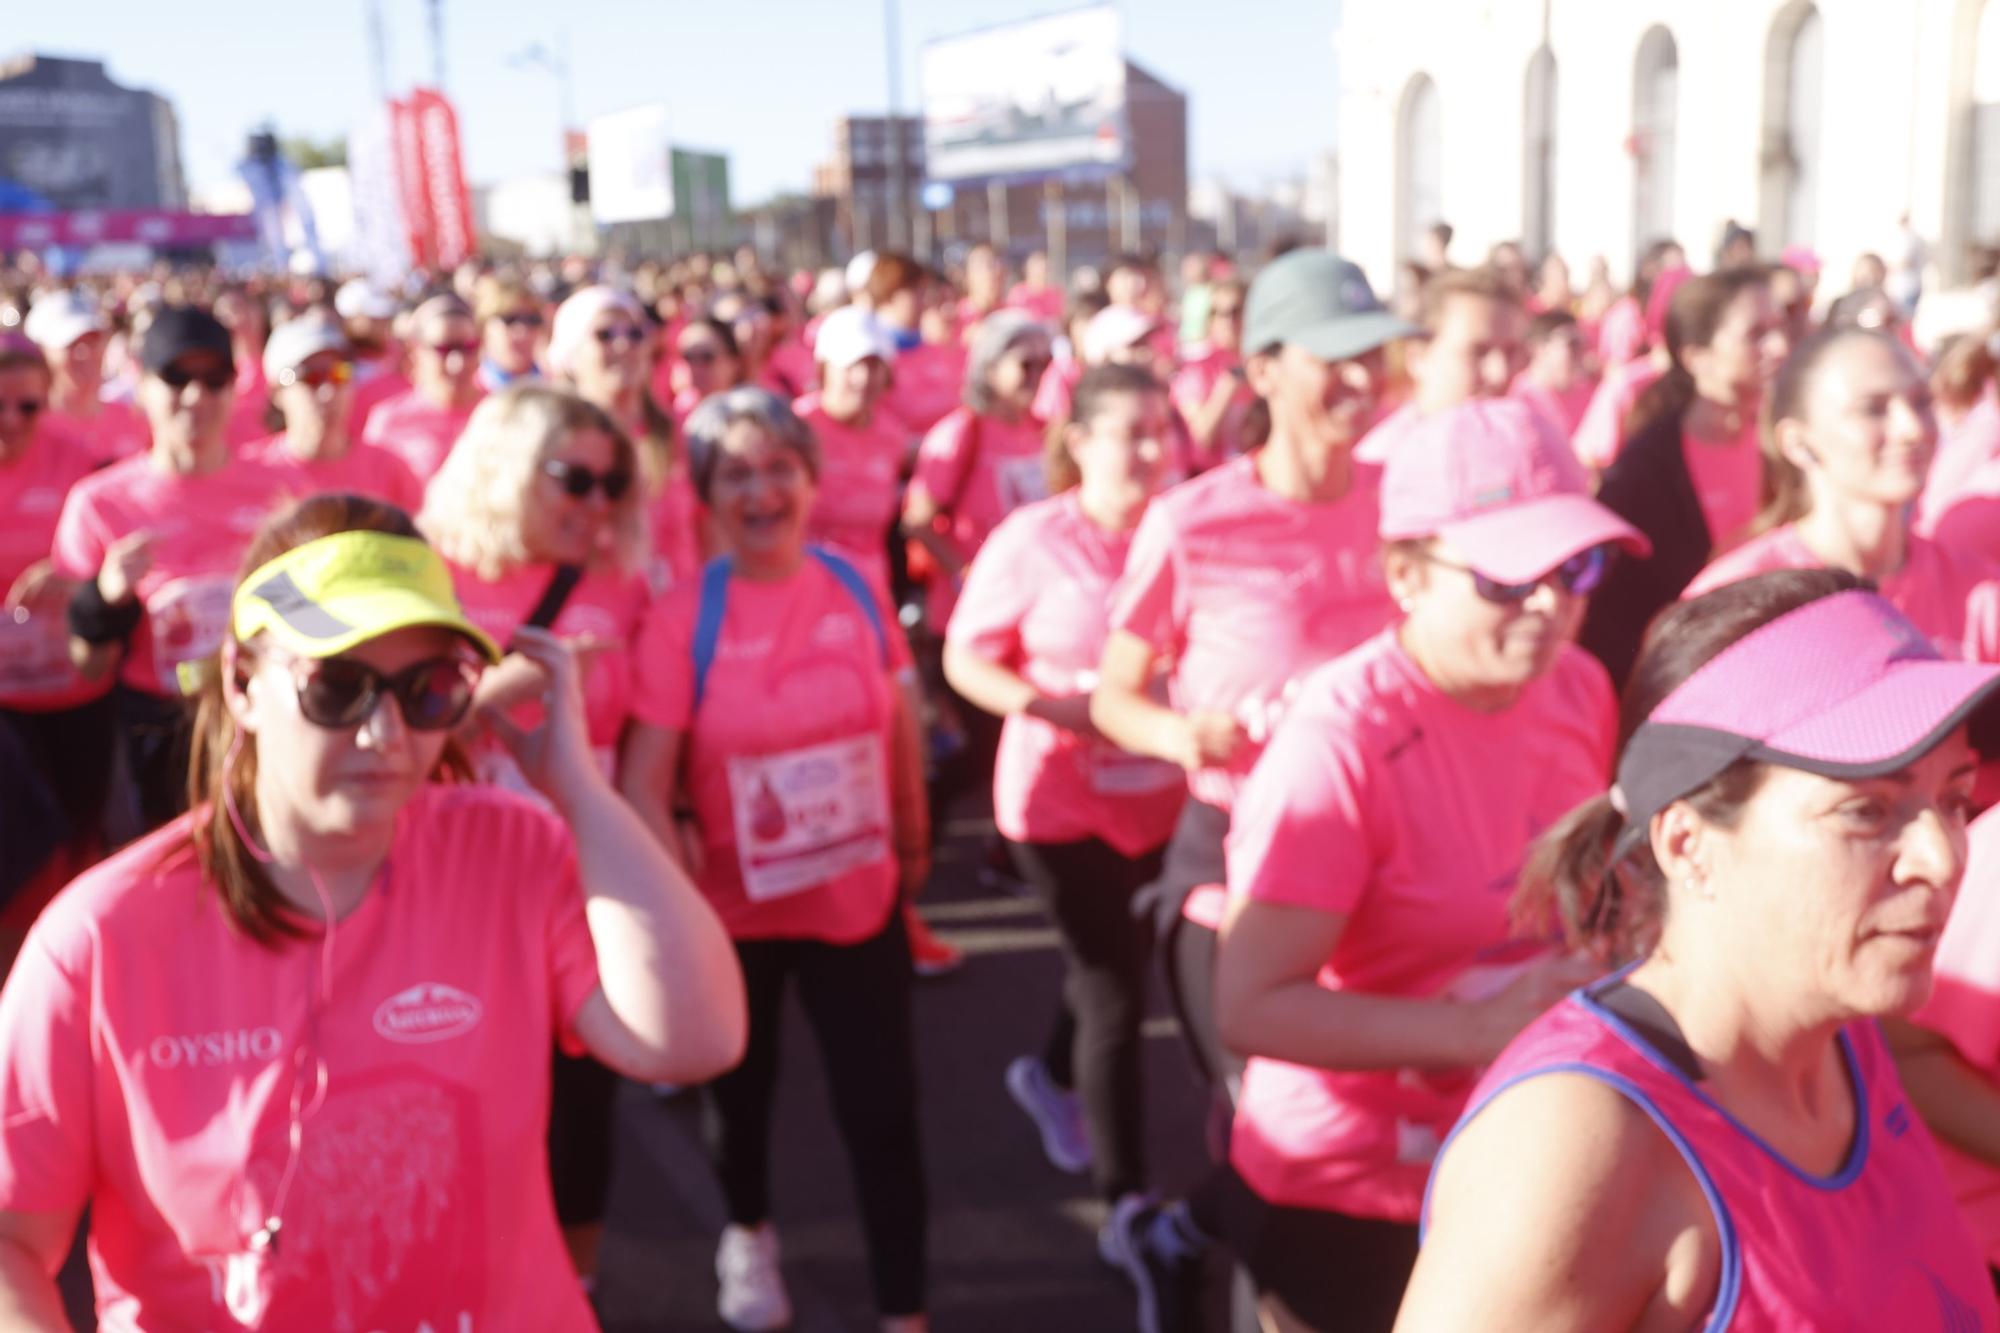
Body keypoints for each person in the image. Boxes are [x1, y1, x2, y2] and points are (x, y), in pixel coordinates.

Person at [0, 491, 746, 1331]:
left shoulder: (509, 848)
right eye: (339, 687)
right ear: (243, 683)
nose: (384, 732)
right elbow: (12, 1242)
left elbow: (696, 1037)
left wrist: (577, 789)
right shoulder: (101, 936)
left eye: (429, 690)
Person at [1401, 570, 2000, 1330]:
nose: (1942, 859)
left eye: (1954, 799)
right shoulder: (1576, 1143)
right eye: (1864, 809)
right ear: (1688, 842)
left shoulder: (1850, 1036)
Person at [1200, 397, 1637, 1333]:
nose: (1551, 603)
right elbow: (1249, 1004)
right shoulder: (1339, 743)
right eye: (1505, 577)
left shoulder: (1577, 685)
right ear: (1403, 573)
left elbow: (1569, 891)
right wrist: (1474, 1034)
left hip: (1517, 1151)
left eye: (1575, 566)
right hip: (1349, 1191)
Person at [1090, 256, 1411, 1312]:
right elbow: (1112, 697)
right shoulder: (1192, 520)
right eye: (1334, 359)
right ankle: (1216, 1269)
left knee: (1371, 1122)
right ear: (1263, 370)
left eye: (1372, 354)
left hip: (1388, 863)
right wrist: (1185, 733)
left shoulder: (1403, 502)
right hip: (1238, 860)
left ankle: (1178, 1232)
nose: (1360, 380)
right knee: (1270, 1124)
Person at [621, 388, 933, 1333]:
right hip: (735, 912)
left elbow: (897, 724)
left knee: (883, 1115)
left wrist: (915, 837)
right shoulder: (684, 617)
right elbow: (644, 778)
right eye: (736, 475)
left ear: (809, 478)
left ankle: (904, 1311)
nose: (761, 493)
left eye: (777, 469)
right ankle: (747, 1232)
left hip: (855, 899)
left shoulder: (851, 582)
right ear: (707, 495)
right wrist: (671, 896)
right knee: (741, 1102)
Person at [418, 381, 654, 1292]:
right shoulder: (431, 574)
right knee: (459, 1094)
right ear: (510, 470)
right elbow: (385, 743)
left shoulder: (620, 580)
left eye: (613, 483)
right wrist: (507, 690)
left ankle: (575, 1289)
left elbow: (638, 746)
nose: (597, 504)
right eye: (575, 479)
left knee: (585, 1102)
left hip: (568, 880)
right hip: (448, 882)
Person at [944, 365, 1187, 1232]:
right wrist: (1059, 710)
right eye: (1134, 430)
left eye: (1165, 427)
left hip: (1164, 793)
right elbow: (965, 659)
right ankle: (1128, 1203)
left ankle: (1047, 1072)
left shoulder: (1187, 528)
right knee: (1116, 980)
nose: (1156, 448)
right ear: (1079, 441)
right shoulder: (1031, 539)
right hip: (1059, 804)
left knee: (1116, 960)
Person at [52, 307, 302, 830]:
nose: (197, 397)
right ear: (140, 386)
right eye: (177, 377)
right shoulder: (100, 503)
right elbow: (86, 665)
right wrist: (105, 600)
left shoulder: (283, 490)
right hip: (158, 729)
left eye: (215, 381)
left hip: (262, 716)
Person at [1686, 327, 2000, 668]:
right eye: (1872, 409)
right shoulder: (1735, 598)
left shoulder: (1981, 592)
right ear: (1798, 443)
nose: (1912, 428)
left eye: (1922, 402)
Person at [1578, 267, 1793, 688]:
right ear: (1696, 357)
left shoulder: (1795, 446)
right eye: (1756, 334)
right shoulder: (1646, 470)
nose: (1781, 346)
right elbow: (1611, 618)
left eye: (1780, 328)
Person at [0, 334, 114, 951]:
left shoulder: (79, 460)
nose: (12, 420)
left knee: (81, 841)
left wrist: (74, 577)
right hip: (4, 709)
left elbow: (116, 564)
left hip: (74, 690)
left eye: (28, 407)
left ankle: (79, 957)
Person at [902, 308, 1054, 633]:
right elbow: (918, 523)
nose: (1037, 374)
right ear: (990, 366)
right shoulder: (961, 433)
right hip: (972, 610)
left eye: (1045, 364)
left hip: (1032, 602)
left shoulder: (1044, 431)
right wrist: (967, 572)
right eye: (1026, 364)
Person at [547, 284, 703, 589]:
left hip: (677, 617)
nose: (623, 345)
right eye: (604, 335)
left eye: (635, 333)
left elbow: (708, 535)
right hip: (594, 619)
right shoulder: (552, 444)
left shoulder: (678, 434)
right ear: (570, 356)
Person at [242, 313, 424, 512]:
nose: (327, 392)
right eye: (310, 377)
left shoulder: (388, 468)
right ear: (277, 391)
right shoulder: (248, 470)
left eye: (339, 373)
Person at [1352, 269, 1527, 465]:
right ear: (1417, 358)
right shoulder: (1383, 466)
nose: (1500, 373)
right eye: (1478, 352)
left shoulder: (1530, 445)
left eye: (1511, 352)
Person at [797, 305, 909, 602]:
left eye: (873, 365)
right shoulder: (795, 428)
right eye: (850, 365)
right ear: (823, 368)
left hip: (869, 593)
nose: (862, 378)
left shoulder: (892, 435)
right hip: (805, 590)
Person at [361, 294, 484, 483]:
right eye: (443, 349)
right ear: (416, 351)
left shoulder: (499, 411)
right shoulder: (390, 419)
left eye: (468, 347)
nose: (457, 363)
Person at [24, 290, 148, 463]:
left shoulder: (135, 420)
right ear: (40, 353)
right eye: (70, 343)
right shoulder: (25, 430)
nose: (85, 352)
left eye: (93, 340)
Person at [1172, 278, 1255, 470]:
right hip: (1214, 477)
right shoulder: (1195, 370)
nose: (1227, 321)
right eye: (1217, 313)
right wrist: (1228, 387)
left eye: (1235, 311)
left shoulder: (1270, 365)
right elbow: (1199, 438)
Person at [1509, 308, 1596, 441]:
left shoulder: (1585, 390)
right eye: (1572, 344)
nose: (1581, 352)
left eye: (1583, 343)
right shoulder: (1521, 400)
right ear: (1539, 348)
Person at [669, 316, 747, 428]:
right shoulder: (670, 421)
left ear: (733, 363)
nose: (695, 367)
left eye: (707, 357)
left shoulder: (751, 417)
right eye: (688, 357)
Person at [475, 275, 546, 391]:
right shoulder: (468, 395)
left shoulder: (557, 390)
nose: (523, 330)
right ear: (484, 328)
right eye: (510, 319)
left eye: (533, 319)